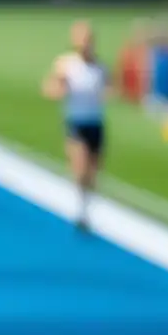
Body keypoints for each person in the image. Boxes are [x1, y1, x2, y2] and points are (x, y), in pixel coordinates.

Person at [43, 20, 111, 231]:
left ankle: (87, 207)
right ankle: (80, 210)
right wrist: (61, 89)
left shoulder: (100, 67)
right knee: (80, 169)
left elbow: (110, 88)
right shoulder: (67, 65)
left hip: (96, 122)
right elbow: (49, 88)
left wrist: (107, 93)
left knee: (93, 172)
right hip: (77, 123)